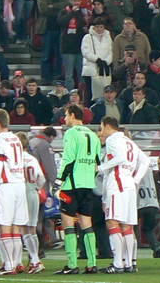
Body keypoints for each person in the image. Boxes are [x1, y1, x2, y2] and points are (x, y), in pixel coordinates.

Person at [98, 116, 150, 273]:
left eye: (102, 128)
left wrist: (100, 167)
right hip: (129, 185)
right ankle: (130, 263)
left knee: (112, 222)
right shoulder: (129, 142)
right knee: (127, 225)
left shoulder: (112, 139)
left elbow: (119, 158)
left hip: (118, 183)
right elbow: (146, 161)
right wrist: (136, 180)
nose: (101, 132)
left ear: (108, 126)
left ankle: (117, 264)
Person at [55, 104, 102, 274]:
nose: (65, 119)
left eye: (67, 115)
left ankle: (72, 265)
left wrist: (59, 181)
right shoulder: (93, 135)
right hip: (88, 184)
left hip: (71, 185)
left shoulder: (71, 133)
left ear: (74, 115)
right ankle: (92, 264)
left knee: (68, 224)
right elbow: (97, 163)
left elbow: (68, 159)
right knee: (86, 224)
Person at [0, 109, 28, 275]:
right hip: (20, 184)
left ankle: (9, 265)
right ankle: (17, 262)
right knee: (16, 227)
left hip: (6, 185)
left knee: (4, 225)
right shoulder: (16, 139)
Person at [17, 132, 46, 274]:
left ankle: (35, 260)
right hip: (33, 192)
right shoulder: (32, 159)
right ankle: (35, 260)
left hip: (22, 193)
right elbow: (42, 179)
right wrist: (36, 187)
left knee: (23, 229)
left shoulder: (16, 159)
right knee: (32, 228)